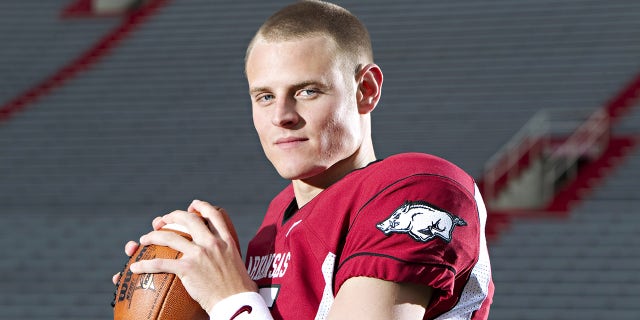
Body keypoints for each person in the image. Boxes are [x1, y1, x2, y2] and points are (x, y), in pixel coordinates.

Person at [113, 1, 494, 319]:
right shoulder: (275, 222)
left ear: (367, 90)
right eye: (264, 96)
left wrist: (228, 299)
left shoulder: (417, 187)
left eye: (307, 91)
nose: (282, 115)